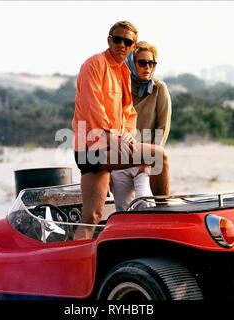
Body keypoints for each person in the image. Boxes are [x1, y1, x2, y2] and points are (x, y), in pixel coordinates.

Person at [72, 21, 170, 240]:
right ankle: (167, 215)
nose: (122, 45)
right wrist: (114, 134)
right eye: (117, 39)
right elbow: (92, 105)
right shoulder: (94, 64)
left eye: (128, 41)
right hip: (92, 145)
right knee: (158, 156)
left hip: (107, 147)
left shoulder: (124, 73)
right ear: (109, 40)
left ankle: (75, 263)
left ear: (133, 46)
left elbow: (128, 111)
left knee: (91, 216)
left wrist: (127, 131)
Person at [110, 41, 172, 211]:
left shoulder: (159, 89)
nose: (148, 67)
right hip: (120, 159)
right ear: (131, 62)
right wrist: (108, 169)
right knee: (122, 211)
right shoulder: (119, 90)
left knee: (145, 205)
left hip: (146, 159)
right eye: (142, 63)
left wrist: (148, 160)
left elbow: (163, 128)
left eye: (151, 63)